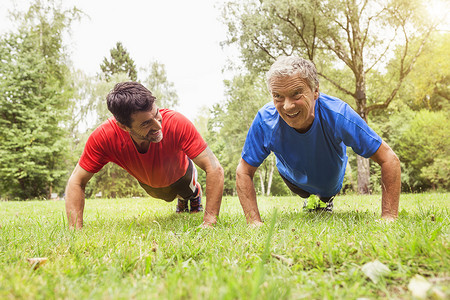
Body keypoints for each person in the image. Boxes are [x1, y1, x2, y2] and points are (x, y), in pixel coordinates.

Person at [236, 56, 401, 226]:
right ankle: (310, 198)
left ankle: (324, 200)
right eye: (278, 96)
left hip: (330, 184)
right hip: (294, 180)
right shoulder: (265, 120)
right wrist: (253, 222)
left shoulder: (338, 114)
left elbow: (389, 158)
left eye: (296, 94)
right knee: (305, 193)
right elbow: (243, 170)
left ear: (315, 91)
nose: (287, 106)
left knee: (324, 195)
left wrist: (388, 216)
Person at [65, 82, 224, 229]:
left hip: (181, 174)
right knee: (163, 195)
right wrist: (75, 231)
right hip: (150, 183)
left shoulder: (176, 122)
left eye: (156, 114)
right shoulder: (104, 137)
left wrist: (209, 222)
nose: (158, 126)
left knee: (187, 191)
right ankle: (180, 199)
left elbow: (215, 168)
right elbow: (76, 180)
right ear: (124, 126)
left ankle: (192, 195)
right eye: (146, 123)